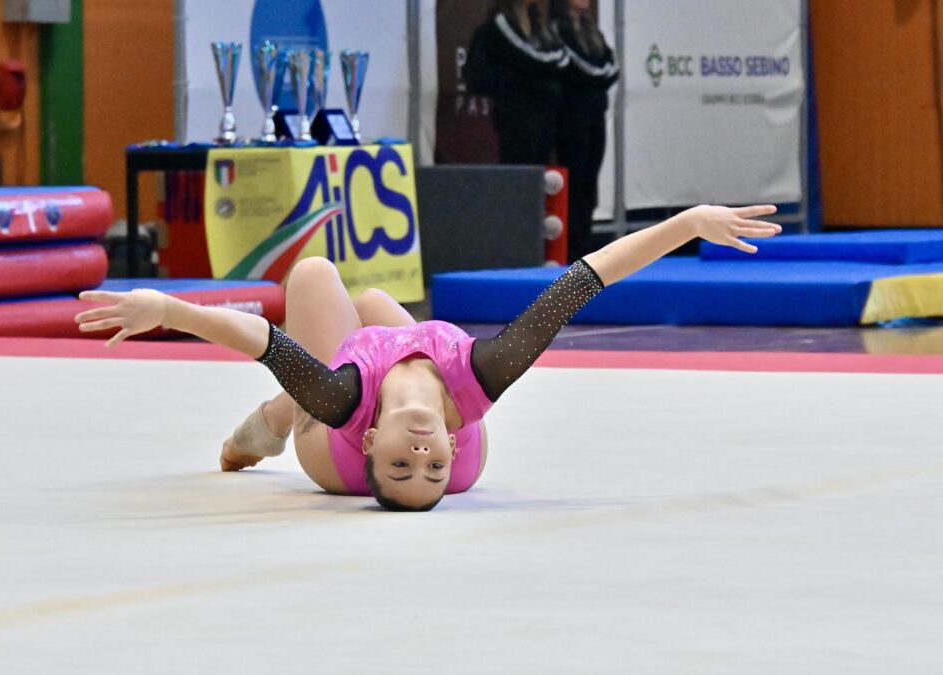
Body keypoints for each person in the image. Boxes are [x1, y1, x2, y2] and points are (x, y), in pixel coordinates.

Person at [76, 205, 780, 512]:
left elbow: (260, 340)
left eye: (401, 466)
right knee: (377, 303)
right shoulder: (480, 376)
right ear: (451, 438)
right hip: (427, 381)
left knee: (315, 277)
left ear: (372, 445)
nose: (419, 457)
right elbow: (582, 281)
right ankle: (349, 378)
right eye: (432, 466)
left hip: (329, 445)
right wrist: (688, 224)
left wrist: (165, 307)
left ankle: (276, 419)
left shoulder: (347, 407)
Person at [551, 0, 619, 260]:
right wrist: (600, 75)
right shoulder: (557, 28)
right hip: (571, 116)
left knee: (589, 183)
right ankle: (571, 245)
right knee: (576, 182)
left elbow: (611, 66)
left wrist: (600, 75)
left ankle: (583, 241)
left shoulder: (592, 30)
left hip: (595, 114)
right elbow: (578, 67)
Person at [463, 0, 566, 165]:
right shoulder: (498, 25)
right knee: (520, 170)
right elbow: (528, 59)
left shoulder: (539, 25)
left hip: (545, 115)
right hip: (517, 116)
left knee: (540, 172)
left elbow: (559, 60)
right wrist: (549, 68)